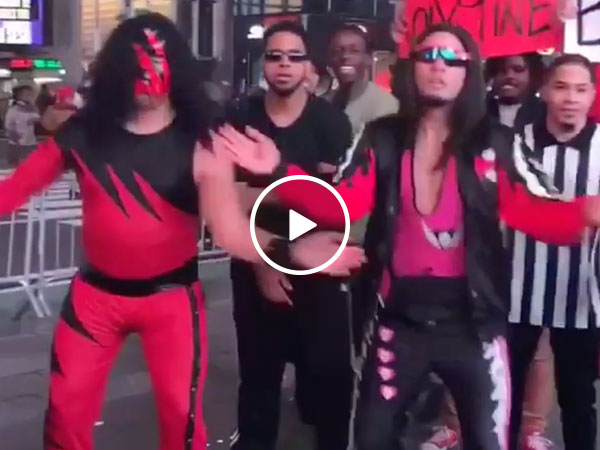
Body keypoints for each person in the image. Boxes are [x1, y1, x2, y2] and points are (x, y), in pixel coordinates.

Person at [222, 24, 600, 450]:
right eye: (429, 56)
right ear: (413, 68)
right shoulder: (381, 137)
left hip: (474, 324)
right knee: (372, 439)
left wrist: (586, 212)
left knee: (488, 440)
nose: (439, 67)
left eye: (451, 59)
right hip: (397, 320)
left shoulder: (496, 143)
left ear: (468, 72)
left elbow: (536, 211)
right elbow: (338, 204)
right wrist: (278, 170)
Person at [0, 14, 361, 450]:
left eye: (158, 58)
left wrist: (292, 252)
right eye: (137, 58)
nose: (147, 70)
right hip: (94, 299)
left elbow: (228, 229)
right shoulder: (84, 132)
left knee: (181, 418)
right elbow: (12, 191)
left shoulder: (203, 142)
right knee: (65, 412)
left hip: (172, 300)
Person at [221, 21, 359, 450]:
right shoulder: (239, 117)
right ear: (263, 63)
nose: (284, 64)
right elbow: (223, 198)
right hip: (252, 266)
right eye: (275, 56)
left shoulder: (331, 123)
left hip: (321, 267)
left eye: (294, 56)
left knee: (328, 382)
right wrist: (265, 258)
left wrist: (265, 192)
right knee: (258, 380)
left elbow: (333, 206)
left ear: (308, 66)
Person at [423, 52, 553, 450]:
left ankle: (532, 428)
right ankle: (452, 424)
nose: (509, 77)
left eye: (519, 69)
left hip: (532, 245)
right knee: (466, 333)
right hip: (476, 243)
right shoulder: (475, 117)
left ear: (533, 75)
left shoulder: (546, 117)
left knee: (536, 342)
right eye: (502, 70)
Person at [507, 54, 600, 450]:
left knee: (578, 400)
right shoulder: (515, 143)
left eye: (580, 89)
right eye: (561, 87)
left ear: (593, 94)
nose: (570, 98)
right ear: (544, 91)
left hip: (582, 297)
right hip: (515, 291)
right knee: (505, 397)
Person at [4, 85, 40, 166]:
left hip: (25, 143)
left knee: (21, 166)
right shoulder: (15, 109)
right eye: (29, 95)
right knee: (22, 166)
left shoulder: (29, 109)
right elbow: (9, 125)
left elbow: (37, 119)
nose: (32, 97)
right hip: (20, 144)